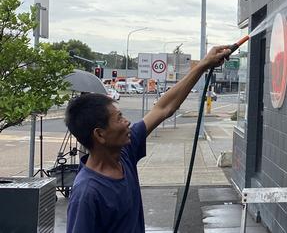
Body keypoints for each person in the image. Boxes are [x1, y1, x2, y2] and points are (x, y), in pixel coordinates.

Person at [64, 45, 231, 233]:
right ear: (100, 134)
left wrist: (203, 65)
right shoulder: (86, 193)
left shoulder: (124, 154)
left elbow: (163, 108)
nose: (127, 122)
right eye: (119, 118)